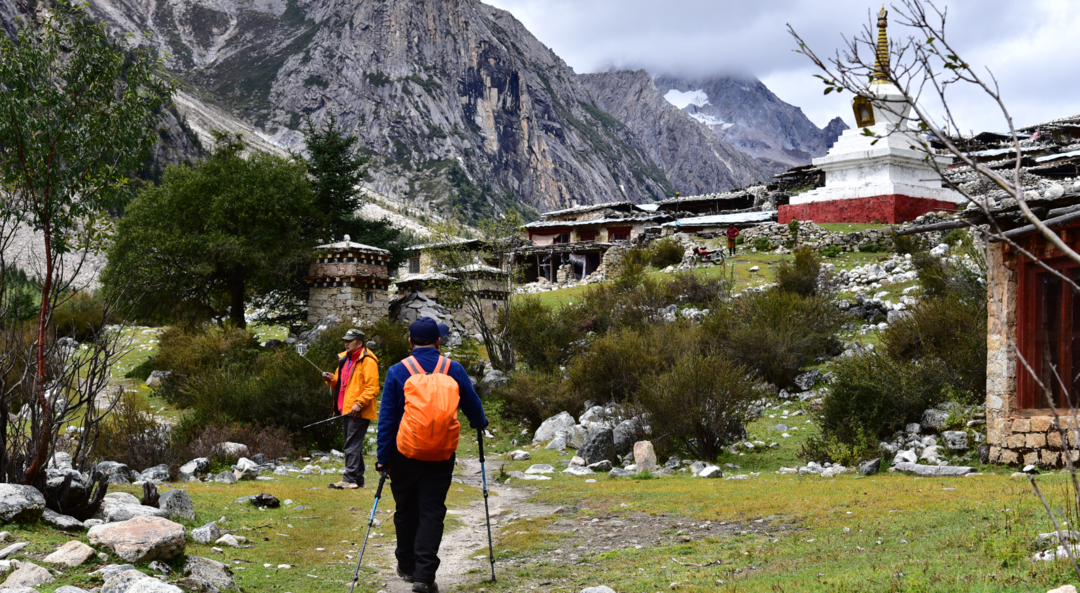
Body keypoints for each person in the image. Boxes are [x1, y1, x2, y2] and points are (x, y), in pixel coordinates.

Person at [376, 317, 487, 593]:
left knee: (406, 509)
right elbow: (474, 407)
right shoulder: (454, 368)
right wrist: (480, 423)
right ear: (439, 342)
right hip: (441, 454)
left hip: (404, 453)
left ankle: (407, 565)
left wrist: (382, 456)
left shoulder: (397, 371)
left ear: (411, 342)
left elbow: (388, 419)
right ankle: (424, 576)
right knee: (432, 512)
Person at [322, 328, 379, 489]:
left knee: (351, 444)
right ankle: (357, 479)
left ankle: (349, 479)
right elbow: (340, 383)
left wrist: (359, 404)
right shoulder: (345, 360)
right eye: (345, 340)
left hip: (358, 410)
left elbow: (372, 388)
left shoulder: (368, 361)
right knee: (353, 443)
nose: (346, 343)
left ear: (359, 343)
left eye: (350, 340)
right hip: (346, 409)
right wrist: (330, 379)